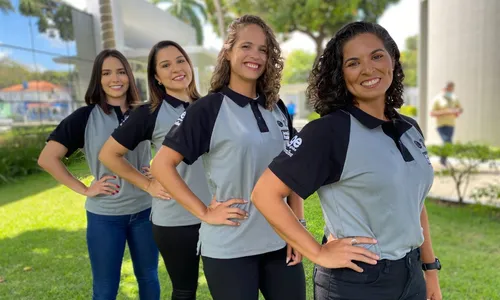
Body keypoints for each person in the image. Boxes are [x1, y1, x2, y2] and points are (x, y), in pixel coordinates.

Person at [251, 21, 442, 300]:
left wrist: (430, 269)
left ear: (392, 59)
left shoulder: (409, 127)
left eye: (376, 56)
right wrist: (317, 252)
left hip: (411, 274)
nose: (368, 69)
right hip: (357, 281)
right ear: (341, 74)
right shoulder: (331, 131)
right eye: (353, 63)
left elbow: (415, 203)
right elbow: (265, 193)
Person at [150, 15, 306, 300]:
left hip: (281, 241)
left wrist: (298, 227)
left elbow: (291, 169)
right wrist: (204, 212)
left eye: (263, 49)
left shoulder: (277, 107)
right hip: (231, 247)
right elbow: (160, 165)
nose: (255, 56)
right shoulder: (208, 108)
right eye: (246, 46)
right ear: (228, 52)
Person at [38, 49, 160, 300]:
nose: (115, 78)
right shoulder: (84, 117)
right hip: (105, 216)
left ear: (129, 76)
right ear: (98, 79)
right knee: (105, 287)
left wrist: (156, 168)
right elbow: (47, 158)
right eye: (106, 73)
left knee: (149, 276)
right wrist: (85, 189)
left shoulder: (146, 112)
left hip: (146, 210)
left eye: (121, 71)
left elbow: (174, 145)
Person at [98, 40, 211, 300]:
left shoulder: (212, 106)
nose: (176, 69)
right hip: (175, 220)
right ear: (156, 76)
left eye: (180, 60)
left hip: (217, 213)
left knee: (228, 288)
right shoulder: (150, 113)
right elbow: (108, 154)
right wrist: (147, 184)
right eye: (165, 65)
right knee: (185, 291)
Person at [430, 81, 463, 166]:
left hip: (451, 124)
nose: (450, 91)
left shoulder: (454, 98)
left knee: (448, 142)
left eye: (451, 89)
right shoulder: (438, 99)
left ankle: (443, 160)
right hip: (441, 125)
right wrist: (446, 112)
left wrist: (457, 111)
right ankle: (443, 161)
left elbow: (460, 109)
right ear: (444, 88)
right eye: (448, 89)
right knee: (446, 141)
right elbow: (432, 113)